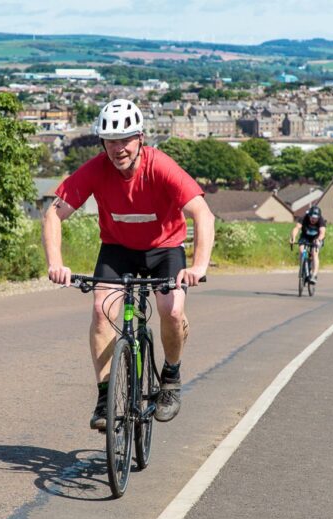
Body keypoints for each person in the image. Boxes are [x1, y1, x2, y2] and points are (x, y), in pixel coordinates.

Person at [42, 99, 215, 431]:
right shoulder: (96, 169)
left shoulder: (160, 166)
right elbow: (54, 212)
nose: (118, 148)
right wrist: (56, 263)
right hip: (117, 248)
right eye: (110, 140)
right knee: (100, 310)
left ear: (141, 139)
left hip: (164, 249)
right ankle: (106, 396)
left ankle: (171, 377)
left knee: (173, 310)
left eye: (125, 139)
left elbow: (202, 213)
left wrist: (199, 266)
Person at [289, 205, 326, 283]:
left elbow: (322, 233)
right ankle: (302, 265)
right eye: (312, 217)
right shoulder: (304, 218)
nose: (313, 219)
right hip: (305, 236)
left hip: (316, 238)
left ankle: (314, 275)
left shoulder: (321, 220)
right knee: (302, 251)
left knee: (314, 253)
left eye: (315, 218)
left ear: (318, 217)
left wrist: (318, 240)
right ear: (309, 215)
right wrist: (293, 237)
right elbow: (296, 228)